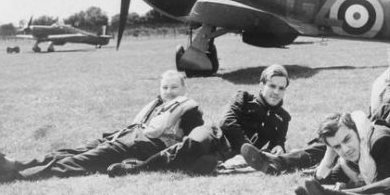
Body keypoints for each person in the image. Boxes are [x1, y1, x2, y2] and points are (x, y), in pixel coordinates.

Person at [241, 40, 390, 175]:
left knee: (345, 143)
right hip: (376, 127)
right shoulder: (386, 80)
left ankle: (321, 168)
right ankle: (279, 161)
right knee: (332, 139)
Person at [0, 70, 204, 181]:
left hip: (143, 147)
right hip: (126, 137)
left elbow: (195, 141)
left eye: (174, 87)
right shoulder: (159, 104)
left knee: (79, 161)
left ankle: (9, 177)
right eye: (164, 87)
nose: (169, 92)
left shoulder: (190, 111)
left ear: (184, 89)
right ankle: (9, 163)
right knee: (71, 151)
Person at [107, 64, 291, 176]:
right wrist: (248, 149)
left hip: (227, 153)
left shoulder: (283, 118)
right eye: (272, 86)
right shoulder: (243, 97)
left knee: (202, 164)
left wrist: (279, 147)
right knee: (196, 145)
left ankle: (198, 164)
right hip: (214, 134)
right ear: (261, 85)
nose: (276, 92)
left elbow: (279, 142)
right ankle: (138, 168)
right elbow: (227, 122)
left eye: (281, 88)